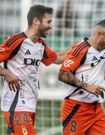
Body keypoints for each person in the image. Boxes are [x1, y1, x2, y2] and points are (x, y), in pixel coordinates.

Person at [0, 5, 69, 135]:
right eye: (48, 22)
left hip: (30, 105)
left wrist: (80, 47)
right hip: (16, 106)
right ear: (36, 21)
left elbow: (59, 58)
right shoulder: (16, 41)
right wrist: (6, 73)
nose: (51, 26)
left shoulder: (40, 45)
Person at [58, 19, 105, 135]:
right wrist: (86, 86)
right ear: (98, 35)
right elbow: (63, 74)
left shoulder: (104, 52)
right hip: (77, 106)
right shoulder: (81, 49)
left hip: (96, 108)